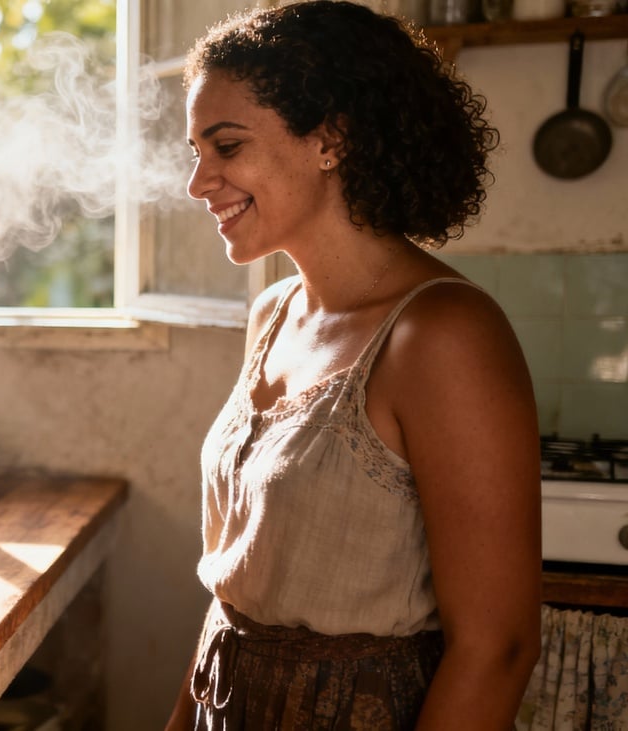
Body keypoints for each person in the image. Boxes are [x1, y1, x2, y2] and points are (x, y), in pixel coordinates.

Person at [165, 2, 541, 729]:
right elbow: (234, 594)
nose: (198, 182)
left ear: (331, 138)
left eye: (228, 145)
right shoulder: (272, 313)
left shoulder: (443, 334)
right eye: (195, 151)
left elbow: (498, 646)